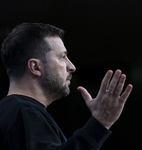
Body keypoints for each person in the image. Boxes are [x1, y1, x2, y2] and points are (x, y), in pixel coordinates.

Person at [0, 23, 133, 150]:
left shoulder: (11, 112)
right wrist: (100, 121)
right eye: (62, 57)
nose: (72, 67)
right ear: (35, 67)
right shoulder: (25, 111)